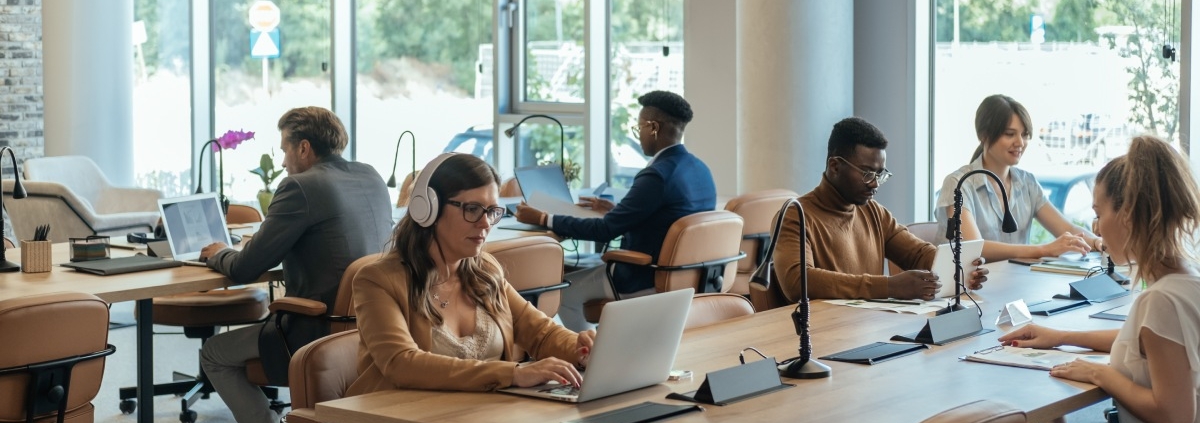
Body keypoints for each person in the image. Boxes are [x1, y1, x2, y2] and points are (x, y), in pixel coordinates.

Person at [197, 106, 394, 423]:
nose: (284, 162)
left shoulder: (299, 186)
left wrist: (219, 252)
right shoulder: (370, 175)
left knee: (214, 354)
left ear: (304, 148)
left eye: (285, 151)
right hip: (376, 326)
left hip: (318, 330)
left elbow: (245, 268)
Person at [346, 153, 594, 394]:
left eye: (492, 211)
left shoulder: (485, 270)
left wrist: (582, 351)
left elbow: (542, 333)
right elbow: (401, 363)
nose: (485, 223)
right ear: (428, 209)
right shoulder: (377, 280)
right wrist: (513, 374)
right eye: (473, 209)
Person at [998, 135, 1200, 423]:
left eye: (1098, 214)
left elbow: (1175, 414)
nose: (1096, 228)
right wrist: (1061, 337)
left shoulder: (1161, 300)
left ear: (1127, 215)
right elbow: (1149, 343)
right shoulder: (1187, 280)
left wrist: (1099, 373)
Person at [513, 90, 715, 331]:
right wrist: (620, 210)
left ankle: (586, 359)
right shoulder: (700, 169)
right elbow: (666, 217)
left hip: (644, 276)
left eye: (639, 127)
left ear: (653, 127)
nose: (639, 135)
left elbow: (605, 230)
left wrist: (544, 217)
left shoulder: (656, 175)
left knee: (562, 293)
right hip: (686, 276)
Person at [774, 117, 989, 301]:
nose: (875, 184)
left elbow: (917, 253)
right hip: (823, 334)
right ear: (835, 166)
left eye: (880, 174)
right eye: (867, 173)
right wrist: (889, 287)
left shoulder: (874, 212)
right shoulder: (796, 215)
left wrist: (958, 266)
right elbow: (798, 281)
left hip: (868, 327)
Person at [935, 94, 1099, 262]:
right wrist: (1045, 249)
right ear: (984, 136)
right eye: (1009, 134)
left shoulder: (1027, 183)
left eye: (1025, 134)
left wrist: (1097, 242)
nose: (1020, 142)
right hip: (972, 285)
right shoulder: (959, 184)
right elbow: (975, 248)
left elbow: (1067, 228)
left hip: (1017, 282)